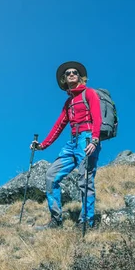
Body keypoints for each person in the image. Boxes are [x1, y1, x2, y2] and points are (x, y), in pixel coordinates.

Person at [31, 61, 102, 229]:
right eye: (68, 73)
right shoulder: (68, 103)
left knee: (85, 181)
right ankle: (56, 219)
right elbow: (58, 126)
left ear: (80, 77)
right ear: (64, 79)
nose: (71, 74)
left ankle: (86, 221)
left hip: (87, 139)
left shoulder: (89, 93)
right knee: (50, 175)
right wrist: (42, 146)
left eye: (75, 72)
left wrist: (95, 139)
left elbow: (98, 117)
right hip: (72, 142)